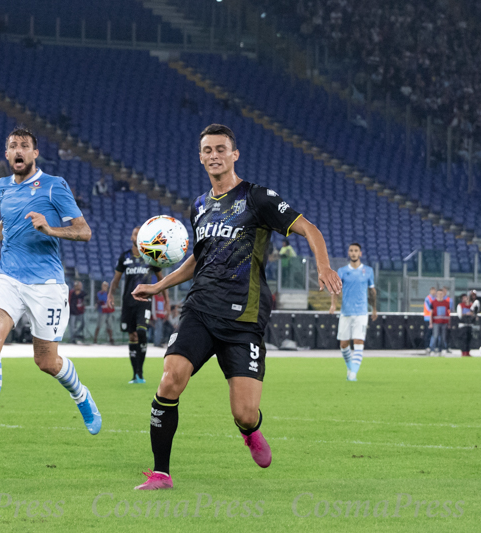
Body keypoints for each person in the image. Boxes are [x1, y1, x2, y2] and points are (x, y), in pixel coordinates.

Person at [130, 124, 341, 490]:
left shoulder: (257, 198)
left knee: (244, 412)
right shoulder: (199, 206)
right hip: (200, 309)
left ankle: (250, 430)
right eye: (207, 150)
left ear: (234, 154)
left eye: (221, 149)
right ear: (201, 157)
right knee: (170, 379)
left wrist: (322, 264)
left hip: (244, 318)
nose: (214, 155)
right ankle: (161, 473)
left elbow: (309, 229)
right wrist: (159, 285)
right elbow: (198, 259)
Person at [0, 127, 101, 446]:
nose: (19, 150)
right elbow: (8, 220)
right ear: (6, 154)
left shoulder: (54, 187)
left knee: (46, 362)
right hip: (7, 276)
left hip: (46, 284)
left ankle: (81, 395)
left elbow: (84, 231)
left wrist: (49, 229)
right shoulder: (1, 187)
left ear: (35, 153)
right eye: (13, 146)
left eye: (25, 146)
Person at [107, 226, 168, 383]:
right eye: (135, 234)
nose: (137, 236)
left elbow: (162, 280)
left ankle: (141, 372)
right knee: (132, 335)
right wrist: (110, 293)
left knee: (141, 331)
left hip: (144, 301)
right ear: (132, 238)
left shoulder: (150, 256)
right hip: (128, 302)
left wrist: (167, 301)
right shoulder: (124, 257)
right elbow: (116, 279)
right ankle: (136, 375)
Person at [328, 242, 376, 381]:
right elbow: (335, 290)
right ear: (348, 253)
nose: (354, 253)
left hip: (361, 312)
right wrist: (333, 305)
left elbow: (372, 291)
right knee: (343, 344)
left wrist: (374, 309)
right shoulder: (342, 271)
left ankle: (353, 373)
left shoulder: (368, 271)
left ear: (360, 253)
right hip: (346, 312)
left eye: (356, 250)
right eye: (351, 250)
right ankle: (350, 367)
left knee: (359, 340)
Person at [429, 287, 451, 355]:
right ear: (436, 294)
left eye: (441, 294)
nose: (440, 295)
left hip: (444, 322)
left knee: (443, 337)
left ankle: (440, 349)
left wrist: (449, 322)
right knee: (435, 336)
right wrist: (431, 323)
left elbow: (448, 313)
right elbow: (431, 313)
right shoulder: (433, 302)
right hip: (436, 322)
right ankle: (432, 349)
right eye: (438, 294)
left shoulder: (446, 303)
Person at [422, 286, 436, 351]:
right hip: (427, 318)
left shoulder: (434, 299)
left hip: (434, 318)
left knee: (433, 333)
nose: (434, 292)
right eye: (433, 291)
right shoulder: (427, 299)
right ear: (430, 291)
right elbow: (428, 309)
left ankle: (432, 346)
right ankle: (427, 346)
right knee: (428, 333)